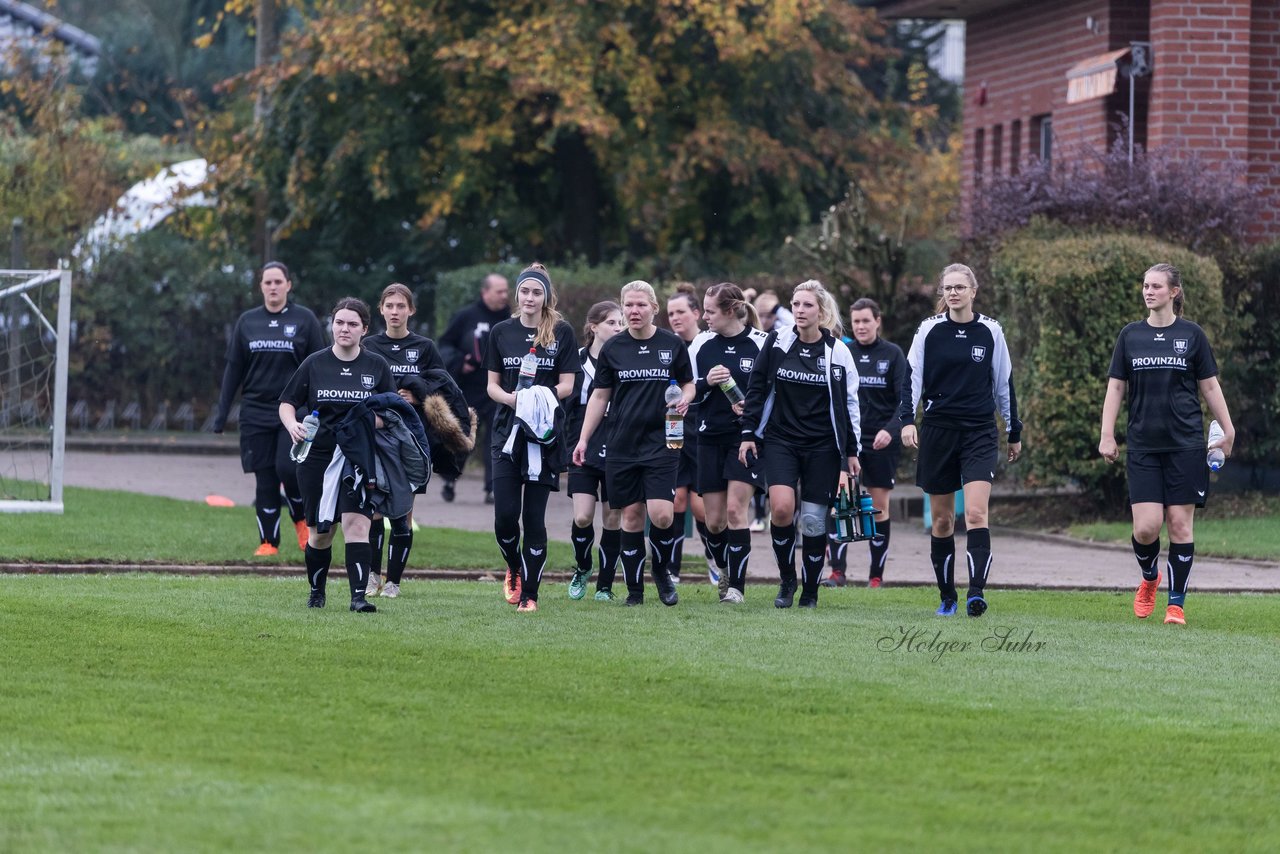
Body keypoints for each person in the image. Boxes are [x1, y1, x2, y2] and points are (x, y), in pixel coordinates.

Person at [1098, 263, 1235, 626]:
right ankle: (1149, 579)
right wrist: (1107, 433)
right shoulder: (1130, 335)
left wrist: (1228, 428)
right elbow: (1115, 386)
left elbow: (1209, 386)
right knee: (1146, 528)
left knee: (1179, 525)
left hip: (1186, 444)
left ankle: (1176, 605)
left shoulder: (1192, 335)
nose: (1148, 291)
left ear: (1174, 292)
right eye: (1145, 285)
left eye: (1156, 286)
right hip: (1143, 445)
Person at [900, 263, 1022, 619]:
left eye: (959, 287)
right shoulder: (928, 331)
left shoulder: (991, 331)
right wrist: (908, 421)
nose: (953, 293)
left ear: (973, 290)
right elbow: (911, 379)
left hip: (979, 431)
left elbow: (1004, 384)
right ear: (943, 293)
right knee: (942, 521)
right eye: (947, 288)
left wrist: (1014, 431)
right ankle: (947, 595)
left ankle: (976, 593)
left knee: (975, 512)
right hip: (939, 430)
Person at [740, 280, 861, 609]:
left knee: (812, 520)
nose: (799, 310)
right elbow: (756, 388)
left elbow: (849, 406)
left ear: (821, 312)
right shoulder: (778, 342)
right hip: (781, 440)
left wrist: (852, 452)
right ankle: (786, 579)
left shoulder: (837, 352)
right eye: (795, 304)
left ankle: (810, 589)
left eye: (807, 305)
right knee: (780, 509)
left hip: (823, 446)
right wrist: (749, 432)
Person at [573, 280, 695, 607]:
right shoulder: (614, 348)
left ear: (654, 308)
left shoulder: (672, 344)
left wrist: (684, 398)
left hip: (663, 442)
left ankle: (663, 573)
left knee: (663, 516)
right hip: (622, 445)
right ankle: (634, 592)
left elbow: (688, 383)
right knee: (630, 517)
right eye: (628, 305)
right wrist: (584, 439)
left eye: (641, 305)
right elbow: (600, 396)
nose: (634, 311)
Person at [279, 297, 396, 613]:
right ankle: (316, 591)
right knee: (321, 532)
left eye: (352, 324)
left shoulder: (376, 367)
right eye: (340, 322)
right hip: (317, 456)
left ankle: (358, 598)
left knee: (358, 525)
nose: (345, 329)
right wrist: (292, 424)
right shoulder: (315, 363)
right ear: (332, 325)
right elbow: (287, 402)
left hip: (358, 457)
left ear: (364, 330)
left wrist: (368, 422)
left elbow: (391, 412)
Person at [213, 261, 326, 557]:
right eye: (268, 282)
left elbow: (319, 366)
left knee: (288, 469)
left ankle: (302, 522)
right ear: (261, 286)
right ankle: (268, 543)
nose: (273, 287)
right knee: (264, 477)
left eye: (278, 282)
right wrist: (221, 414)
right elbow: (233, 369)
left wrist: (320, 408)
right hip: (255, 412)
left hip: (293, 411)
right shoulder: (247, 322)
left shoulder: (305, 320)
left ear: (289, 285)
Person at [485, 264, 579, 612]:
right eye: (525, 291)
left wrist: (538, 397)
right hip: (507, 434)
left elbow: (568, 385)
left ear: (546, 297)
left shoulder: (561, 332)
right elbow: (492, 386)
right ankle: (514, 566)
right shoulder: (501, 332)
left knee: (534, 519)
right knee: (505, 517)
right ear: (517, 294)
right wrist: (515, 399)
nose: (529, 297)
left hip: (543, 435)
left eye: (536, 292)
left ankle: (531, 595)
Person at [361, 283, 446, 598]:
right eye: (389, 306)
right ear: (381, 309)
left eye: (401, 306)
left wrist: (416, 392)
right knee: (374, 507)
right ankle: (372, 577)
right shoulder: (368, 345)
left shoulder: (424, 347)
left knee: (402, 511)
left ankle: (394, 581)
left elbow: (441, 387)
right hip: (376, 436)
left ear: (411, 310)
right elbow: (358, 379)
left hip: (412, 439)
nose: (395, 311)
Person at [690, 283, 768, 603]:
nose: (705, 317)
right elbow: (686, 391)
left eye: (710, 311)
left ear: (731, 310)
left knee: (737, 510)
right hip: (708, 436)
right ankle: (725, 568)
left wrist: (751, 410)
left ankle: (736, 588)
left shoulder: (762, 344)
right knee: (714, 521)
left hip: (745, 439)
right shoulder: (701, 344)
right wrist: (706, 382)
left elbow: (772, 394)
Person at [824, 298, 908, 589]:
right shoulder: (842, 351)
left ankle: (875, 576)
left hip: (881, 442)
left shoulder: (893, 354)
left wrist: (891, 430)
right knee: (841, 504)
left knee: (878, 507)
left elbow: (905, 402)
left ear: (877, 321)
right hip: (848, 441)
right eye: (855, 321)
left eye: (865, 321)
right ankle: (838, 573)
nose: (860, 326)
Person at [565, 301, 625, 601]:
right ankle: (582, 567)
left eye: (621, 323)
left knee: (613, 519)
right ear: (594, 327)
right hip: (583, 444)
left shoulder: (626, 359)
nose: (618, 328)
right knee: (583, 517)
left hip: (618, 445)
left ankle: (605, 585)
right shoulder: (575, 361)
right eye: (613, 323)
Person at [438, 273, 510, 504]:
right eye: (500, 291)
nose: (505, 296)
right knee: (464, 437)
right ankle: (450, 477)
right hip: (469, 390)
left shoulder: (511, 319)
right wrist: (461, 362)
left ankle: (493, 488)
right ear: (485, 292)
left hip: (499, 389)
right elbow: (445, 344)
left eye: (506, 291)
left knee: (495, 439)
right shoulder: (466, 316)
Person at [665, 283, 713, 583]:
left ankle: (714, 558)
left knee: (701, 506)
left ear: (696, 313)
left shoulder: (708, 344)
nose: (675, 318)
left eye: (681, 312)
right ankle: (671, 570)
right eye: (670, 313)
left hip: (703, 429)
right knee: (676, 501)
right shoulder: (666, 345)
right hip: (672, 426)